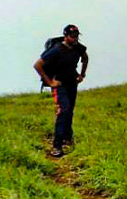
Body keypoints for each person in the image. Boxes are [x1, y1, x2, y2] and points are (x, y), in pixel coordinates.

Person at [34, 24, 88, 158]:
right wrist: (50, 82)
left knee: (69, 111)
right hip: (60, 85)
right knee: (63, 110)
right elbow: (38, 65)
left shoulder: (78, 48)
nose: (75, 39)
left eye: (77, 36)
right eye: (72, 36)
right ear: (66, 36)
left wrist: (82, 75)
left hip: (72, 83)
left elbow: (85, 58)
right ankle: (57, 146)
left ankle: (68, 138)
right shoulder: (57, 50)